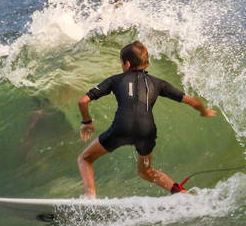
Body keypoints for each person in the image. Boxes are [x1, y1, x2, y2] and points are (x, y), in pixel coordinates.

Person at [77, 40, 216, 197]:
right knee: (146, 171)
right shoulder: (158, 83)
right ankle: (183, 194)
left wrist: (87, 121)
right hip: (146, 131)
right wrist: (204, 111)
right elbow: (192, 101)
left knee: (85, 158)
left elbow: (83, 101)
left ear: (127, 64)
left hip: (121, 127)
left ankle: (90, 196)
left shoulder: (115, 80)